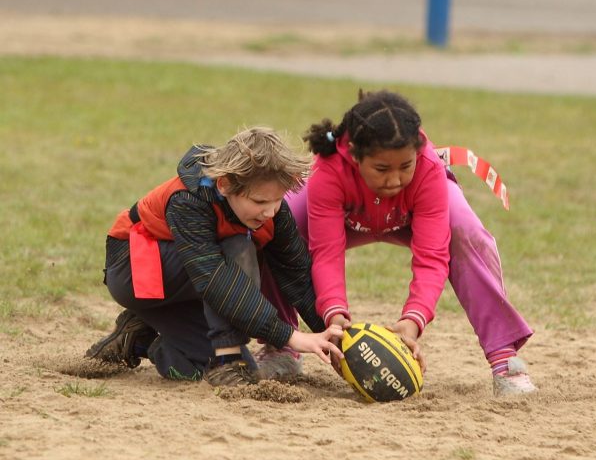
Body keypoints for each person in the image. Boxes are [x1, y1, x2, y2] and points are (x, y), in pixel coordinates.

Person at [265, 89, 537, 396]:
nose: (394, 180)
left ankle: (504, 357)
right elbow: (326, 253)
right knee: (273, 221)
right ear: (355, 155)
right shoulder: (329, 170)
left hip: (409, 218)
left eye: (405, 167)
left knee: (464, 230)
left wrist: (413, 320)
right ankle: (281, 346)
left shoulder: (428, 166)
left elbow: (432, 256)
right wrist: (335, 315)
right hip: (347, 218)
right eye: (382, 169)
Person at [85, 127, 343, 386]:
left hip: (189, 277)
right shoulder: (189, 199)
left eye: (277, 200)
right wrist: (290, 336)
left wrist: (344, 339)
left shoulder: (273, 211)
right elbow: (214, 278)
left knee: (203, 365)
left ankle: (140, 338)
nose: (269, 211)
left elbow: (298, 276)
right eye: (259, 202)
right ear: (225, 184)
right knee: (237, 247)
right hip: (132, 269)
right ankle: (228, 359)